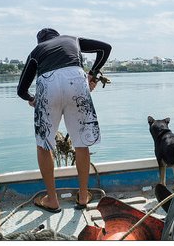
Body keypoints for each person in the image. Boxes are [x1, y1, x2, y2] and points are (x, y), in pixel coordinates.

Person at [17, 28, 112, 212]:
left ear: (40, 42)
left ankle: (52, 200)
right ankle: (83, 197)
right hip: (77, 79)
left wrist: (32, 99)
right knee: (81, 142)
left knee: (44, 145)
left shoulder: (37, 52)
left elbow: (21, 90)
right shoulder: (73, 39)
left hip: (47, 83)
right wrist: (92, 74)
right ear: (58, 37)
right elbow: (105, 48)